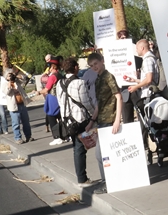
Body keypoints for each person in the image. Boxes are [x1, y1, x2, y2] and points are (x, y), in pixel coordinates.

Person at [56, 57, 95, 187]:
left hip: (67, 120)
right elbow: (86, 102)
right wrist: (94, 113)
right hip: (80, 119)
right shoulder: (79, 83)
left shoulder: (59, 83)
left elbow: (60, 102)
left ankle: (82, 176)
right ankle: (82, 178)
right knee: (80, 148)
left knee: (77, 147)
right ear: (76, 68)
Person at [88, 52, 122, 194]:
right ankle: (107, 181)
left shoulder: (108, 76)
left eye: (96, 63)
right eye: (91, 65)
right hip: (101, 120)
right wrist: (91, 121)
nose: (94, 67)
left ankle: (108, 183)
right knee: (103, 154)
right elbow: (98, 104)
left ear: (102, 61)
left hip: (110, 120)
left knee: (101, 154)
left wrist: (117, 120)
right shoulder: (97, 79)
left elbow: (118, 97)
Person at [127, 39, 160, 150]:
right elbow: (146, 78)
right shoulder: (151, 58)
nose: (136, 51)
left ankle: (146, 145)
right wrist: (135, 80)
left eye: (137, 48)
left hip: (148, 95)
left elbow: (149, 79)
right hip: (150, 93)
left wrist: (136, 87)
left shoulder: (147, 60)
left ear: (142, 48)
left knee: (146, 122)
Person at [34, 58, 64, 145]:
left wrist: (38, 92)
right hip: (60, 97)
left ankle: (57, 137)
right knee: (60, 117)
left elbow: (46, 89)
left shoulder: (52, 77)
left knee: (51, 116)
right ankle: (64, 135)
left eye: (49, 65)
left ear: (53, 66)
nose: (48, 67)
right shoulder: (60, 75)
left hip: (53, 98)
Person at [116, 29, 143, 124]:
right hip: (124, 90)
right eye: (121, 38)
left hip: (136, 88)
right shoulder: (115, 53)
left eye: (125, 37)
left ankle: (143, 138)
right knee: (127, 120)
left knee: (142, 118)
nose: (123, 39)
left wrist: (139, 71)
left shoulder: (136, 52)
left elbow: (143, 66)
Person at [2, 70, 34, 144]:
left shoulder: (17, 81)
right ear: (6, 77)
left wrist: (16, 76)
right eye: (9, 75)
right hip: (14, 106)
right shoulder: (5, 84)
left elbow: (24, 79)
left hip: (22, 104)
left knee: (26, 122)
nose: (10, 76)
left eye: (11, 75)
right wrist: (9, 83)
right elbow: (7, 92)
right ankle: (18, 138)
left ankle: (28, 136)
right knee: (16, 123)